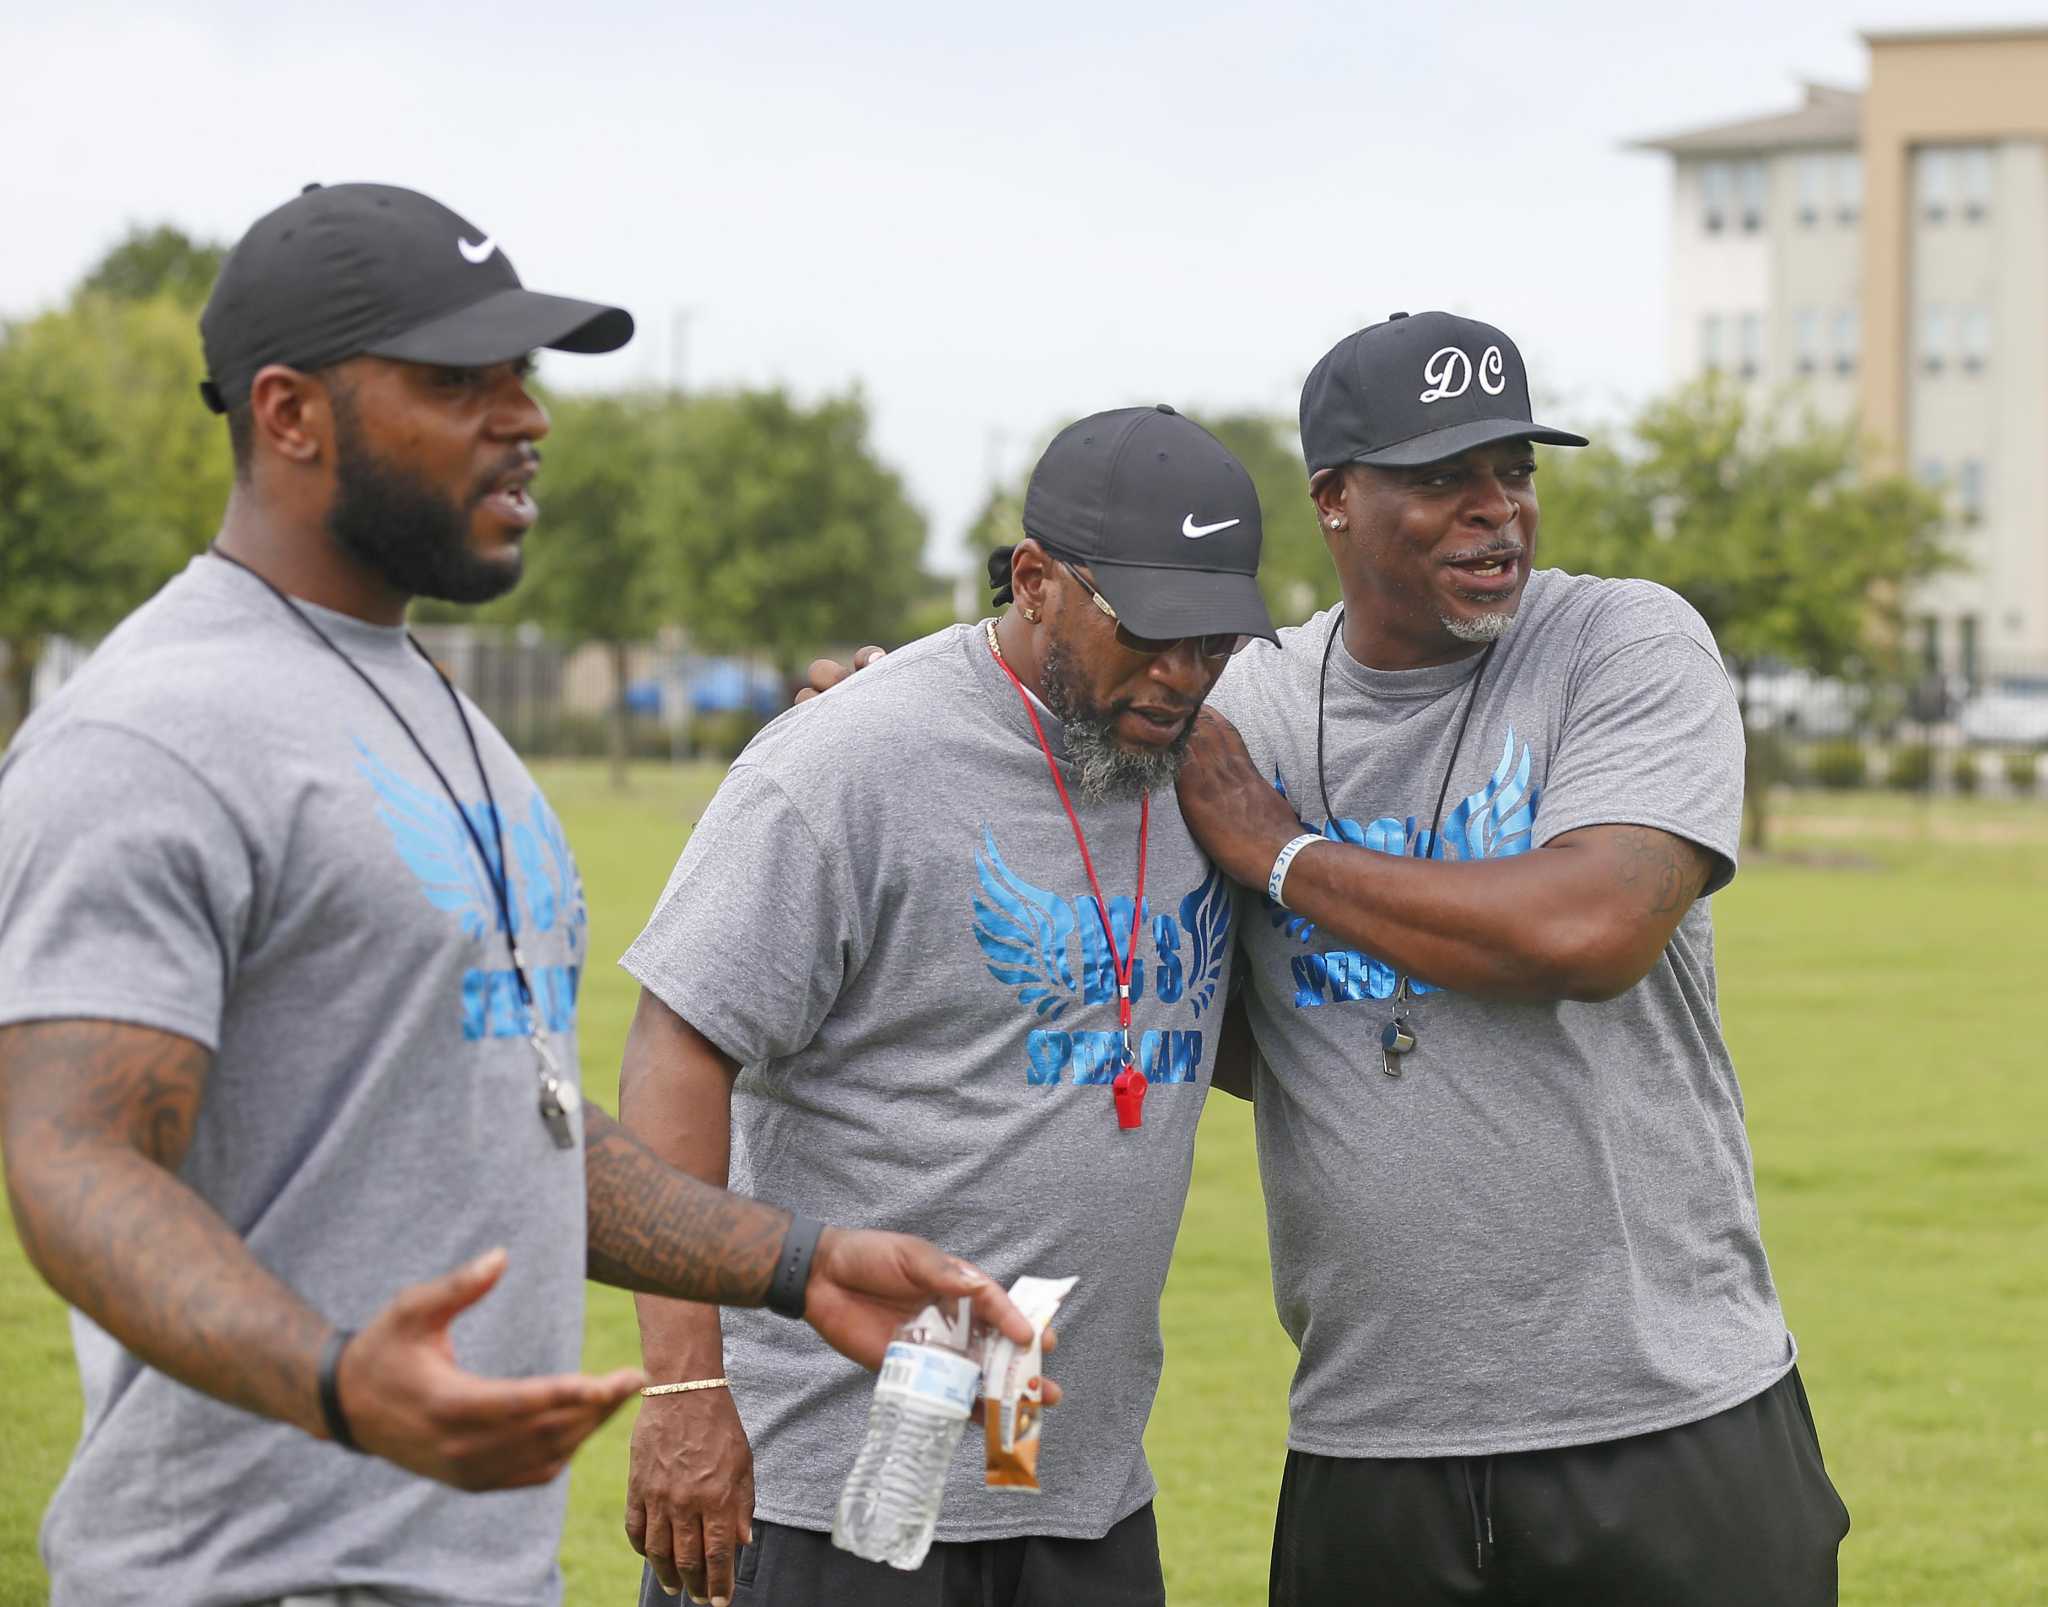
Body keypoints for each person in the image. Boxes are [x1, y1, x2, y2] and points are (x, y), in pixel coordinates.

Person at [0, 182, 1038, 1607]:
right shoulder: (155, 732)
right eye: (456, 381)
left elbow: (513, 1107)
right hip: (248, 1571)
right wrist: (334, 1378)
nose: (527, 417)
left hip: (474, 1568)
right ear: (290, 414)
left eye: (525, 377)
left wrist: (796, 1260)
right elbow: (73, 1157)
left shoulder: (436, 708)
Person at [1171, 311, 1852, 1604]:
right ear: (1333, 499)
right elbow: (1231, 1012)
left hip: (1671, 1426)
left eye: (1517, 472)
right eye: (1443, 480)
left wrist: (1288, 855)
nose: (1499, 513)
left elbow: (1590, 929)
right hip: (1372, 1442)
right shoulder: (1247, 705)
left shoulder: (1625, 644)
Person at [615, 404, 1276, 1607]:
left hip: (1077, 1488)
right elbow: (675, 1046)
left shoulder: (1204, 763)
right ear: (1034, 581)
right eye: (1151, 632)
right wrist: (682, 1390)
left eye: (1217, 640)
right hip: (823, 1488)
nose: (1182, 673)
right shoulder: (848, 758)